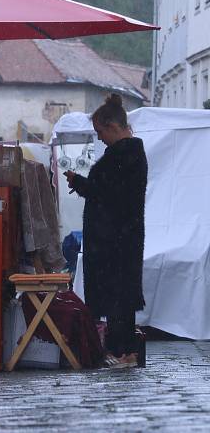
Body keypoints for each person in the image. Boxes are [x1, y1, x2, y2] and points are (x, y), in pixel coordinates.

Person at [66, 93, 147, 369]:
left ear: (113, 127)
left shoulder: (123, 155)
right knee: (119, 297)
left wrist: (80, 183)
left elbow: (107, 194)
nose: (99, 138)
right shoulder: (127, 154)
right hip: (120, 237)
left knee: (117, 297)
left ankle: (123, 351)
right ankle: (123, 350)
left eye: (100, 132)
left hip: (116, 239)